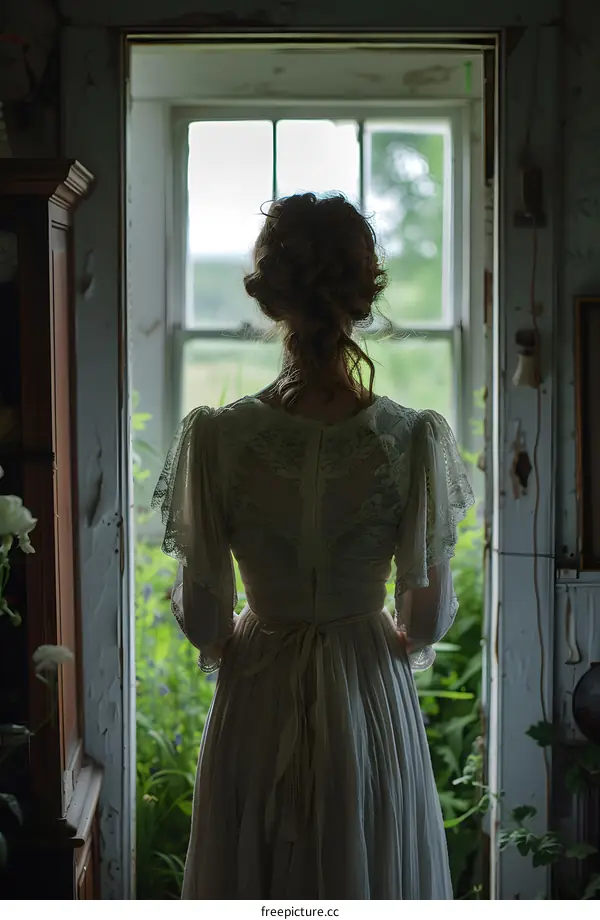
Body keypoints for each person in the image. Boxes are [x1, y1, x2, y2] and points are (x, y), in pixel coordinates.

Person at [152, 192, 475, 900]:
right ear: (362, 295)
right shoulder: (411, 438)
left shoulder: (216, 437)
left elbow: (208, 623)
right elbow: (422, 621)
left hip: (259, 691)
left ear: (273, 298)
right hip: (367, 686)